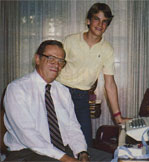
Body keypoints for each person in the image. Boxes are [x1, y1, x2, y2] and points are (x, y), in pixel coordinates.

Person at [3, 40, 112, 162]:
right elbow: (28, 136)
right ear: (37, 59)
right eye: (51, 59)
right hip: (27, 152)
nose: (56, 65)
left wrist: (82, 153)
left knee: (108, 158)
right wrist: (66, 159)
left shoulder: (63, 91)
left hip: (62, 149)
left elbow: (73, 128)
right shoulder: (17, 89)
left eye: (61, 61)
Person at [56, 2, 127, 146]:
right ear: (88, 21)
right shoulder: (70, 41)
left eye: (104, 21)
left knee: (85, 143)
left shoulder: (107, 49)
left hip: (82, 97)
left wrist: (117, 116)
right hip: (60, 92)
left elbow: (110, 84)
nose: (100, 24)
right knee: (59, 140)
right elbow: (54, 67)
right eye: (96, 19)